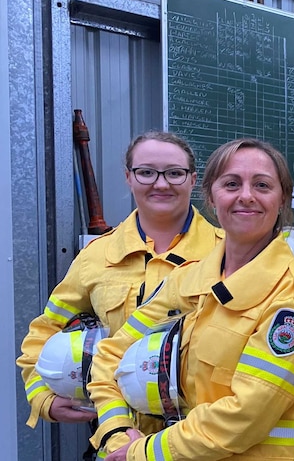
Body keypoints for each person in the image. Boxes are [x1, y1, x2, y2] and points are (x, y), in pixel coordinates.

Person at [87, 138, 294, 460]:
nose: (246, 196)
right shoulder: (188, 279)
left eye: (262, 185)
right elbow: (110, 355)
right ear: (210, 196)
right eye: (231, 183)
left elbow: (244, 417)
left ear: (282, 199)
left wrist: (141, 452)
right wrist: (116, 432)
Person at [17, 132, 222, 433]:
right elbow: (45, 329)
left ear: (192, 180)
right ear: (129, 177)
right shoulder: (97, 257)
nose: (161, 183)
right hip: (119, 440)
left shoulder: (227, 254)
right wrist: (41, 394)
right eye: (146, 172)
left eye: (175, 173)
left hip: (204, 440)